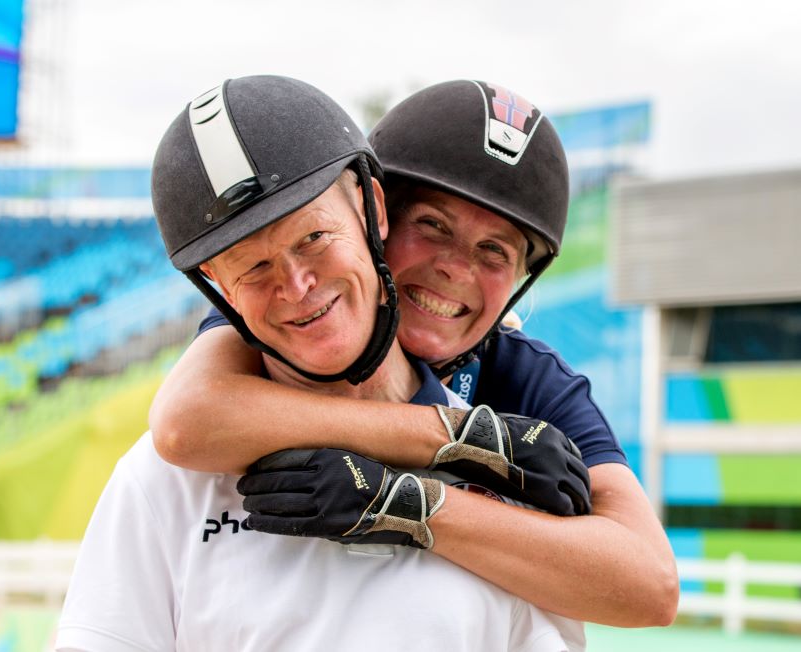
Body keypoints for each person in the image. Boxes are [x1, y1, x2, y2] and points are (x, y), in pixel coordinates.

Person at [56, 75, 586, 651]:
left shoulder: (512, 486)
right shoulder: (160, 483)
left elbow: (646, 586)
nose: (297, 285)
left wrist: (414, 500)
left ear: (372, 209)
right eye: (252, 266)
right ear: (219, 288)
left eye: (313, 236)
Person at [149, 80, 678, 626]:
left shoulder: (526, 375)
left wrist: (407, 502)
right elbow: (185, 422)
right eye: (432, 225)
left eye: (494, 251)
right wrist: (461, 437)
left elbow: (650, 586)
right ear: (376, 217)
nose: (455, 268)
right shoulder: (304, 315)